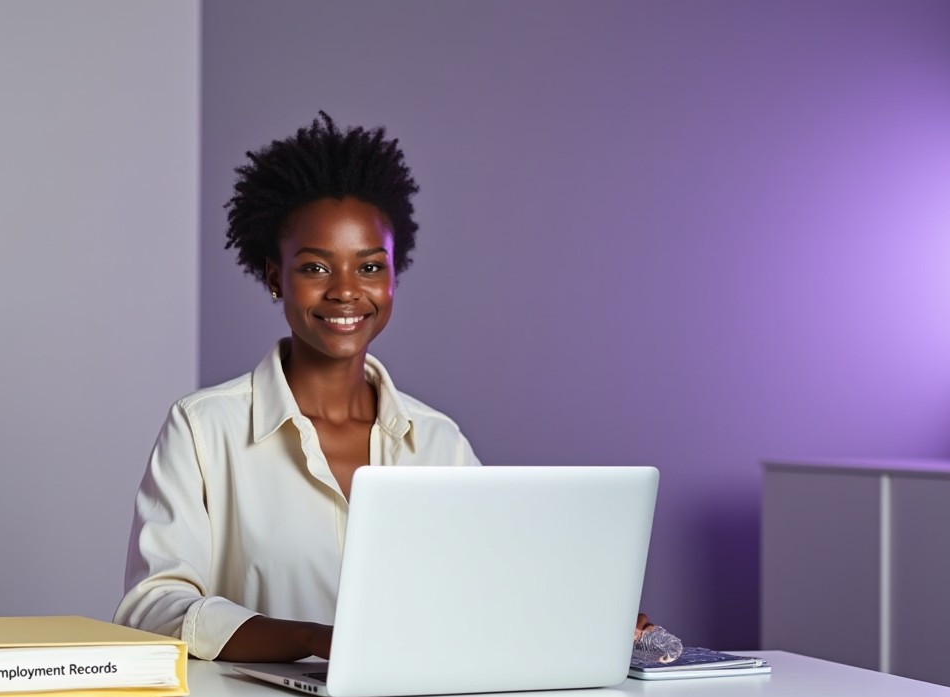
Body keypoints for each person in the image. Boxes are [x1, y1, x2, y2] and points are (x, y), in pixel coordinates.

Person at [113, 112, 652, 661]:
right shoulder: (205, 429)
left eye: (369, 268)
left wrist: (582, 610)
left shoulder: (438, 443)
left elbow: (488, 590)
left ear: (394, 276)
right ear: (276, 277)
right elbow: (153, 609)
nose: (346, 292)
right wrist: (315, 640)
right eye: (316, 269)